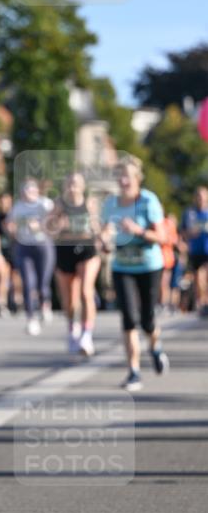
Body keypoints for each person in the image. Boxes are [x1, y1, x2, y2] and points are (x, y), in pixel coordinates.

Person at [101, 155, 169, 392]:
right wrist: (105, 241)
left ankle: (155, 345)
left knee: (148, 320)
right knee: (129, 319)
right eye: (119, 176)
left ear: (137, 178)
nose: (123, 180)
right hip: (122, 267)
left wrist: (138, 230)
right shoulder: (110, 204)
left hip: (149, 266)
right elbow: (105, 236)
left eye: (127, 176)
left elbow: (162, 237)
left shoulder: (148, 201)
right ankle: (134, 371)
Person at [49, 171, 102, 356]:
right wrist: (57, 225)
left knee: (86, 291)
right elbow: (47, 228)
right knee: (70, 300)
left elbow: (99, 226)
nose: (72, 187)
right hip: (65, 250)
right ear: (64, 187)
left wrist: (102, 235)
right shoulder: (58, 205)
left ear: (83, 186)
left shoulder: (90, 203)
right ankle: (73, 328)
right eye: (69, 184)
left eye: (76, 183)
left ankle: (87, 335)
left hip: (87, 249)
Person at [7, 179, 55, 335]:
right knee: (28, 282)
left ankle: (44, 304)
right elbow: (9, 224)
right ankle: (31, 318)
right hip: (24, 246)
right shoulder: (18, 207)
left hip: (43, 246)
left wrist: (41, 225)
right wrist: (11, 229)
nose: (28, 193)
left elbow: (56, 222)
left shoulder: (45, 204)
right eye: (25, 190)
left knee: (42, 283)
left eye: (31, 189)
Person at [0, 190, 21, 316]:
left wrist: (13, 229)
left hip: (15, 250)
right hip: (1, 251)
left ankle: (17, 301)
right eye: (1, 200)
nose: (3, 203)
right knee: (2, 276)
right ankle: (1, 303)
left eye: (6, 200)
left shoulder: (15, 216)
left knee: (16, 278)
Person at [180, 185, 208, 317]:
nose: (200, 199)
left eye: (203, 196)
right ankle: (202, 303)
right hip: (195, 251)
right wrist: (190, 234)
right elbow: (183, 233)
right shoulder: (189, 214)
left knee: (204, 276)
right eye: (198, 196)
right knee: (198, 278)